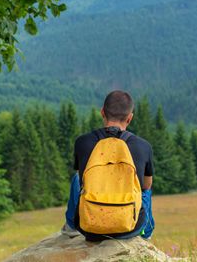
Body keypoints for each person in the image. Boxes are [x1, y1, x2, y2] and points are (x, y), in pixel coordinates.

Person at [62, 90, 155, 240]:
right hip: (130, 228)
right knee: (145, 189)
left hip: (90, 228)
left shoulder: (82, 142)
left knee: (77, 179)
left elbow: (83, 179)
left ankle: (71, 226)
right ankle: (146, 234)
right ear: (130, 118)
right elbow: (147, 185)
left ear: (102, 112)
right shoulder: (143, 146)